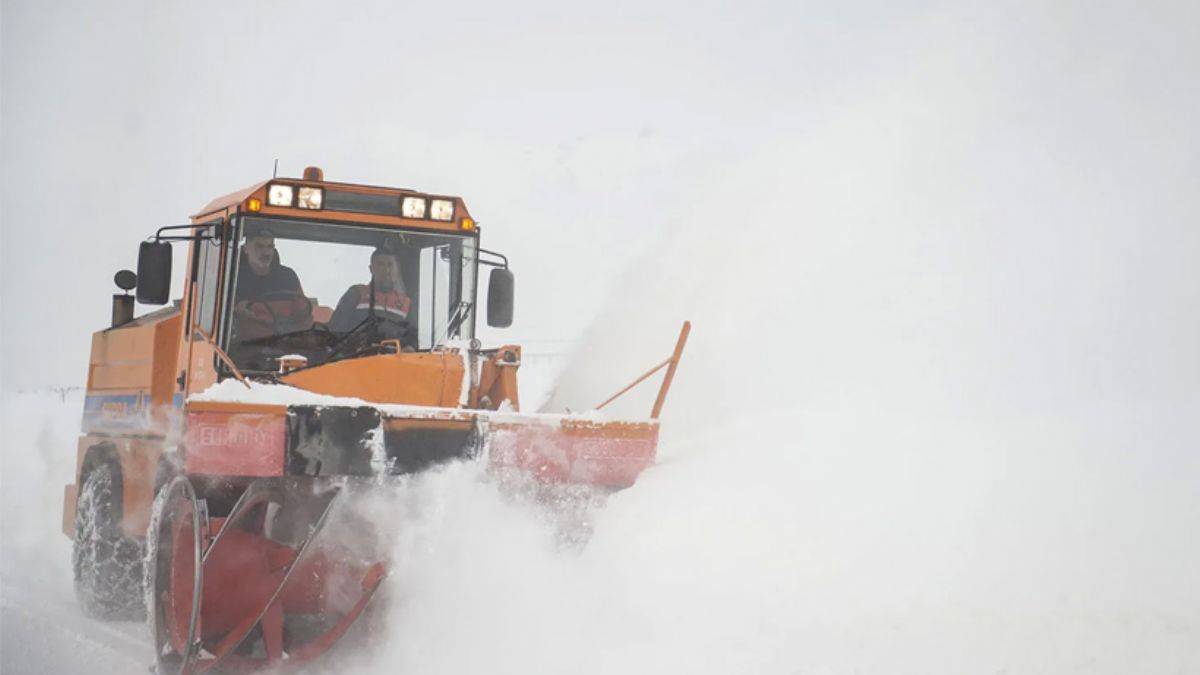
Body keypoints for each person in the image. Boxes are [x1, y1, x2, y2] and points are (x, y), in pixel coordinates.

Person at [231, 231, 311, 338]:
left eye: (270, 246)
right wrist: (237, 310)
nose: (266, 252)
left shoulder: (288, 276)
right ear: (246, 249)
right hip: (246, 345)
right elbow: (223, 316)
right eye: (260, 246)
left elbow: (303, 312)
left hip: (287, 342)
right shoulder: (232, 278)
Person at [329, 247, 414, 343]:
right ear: (371, 269)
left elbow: (413, 337)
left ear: (396, 269)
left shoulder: (406, 303)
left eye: (390, 265)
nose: (386, 270)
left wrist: (410, 347)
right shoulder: (357, 293)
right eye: (381, 265)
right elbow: (336, 331)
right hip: (359, 355)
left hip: (395, 356)